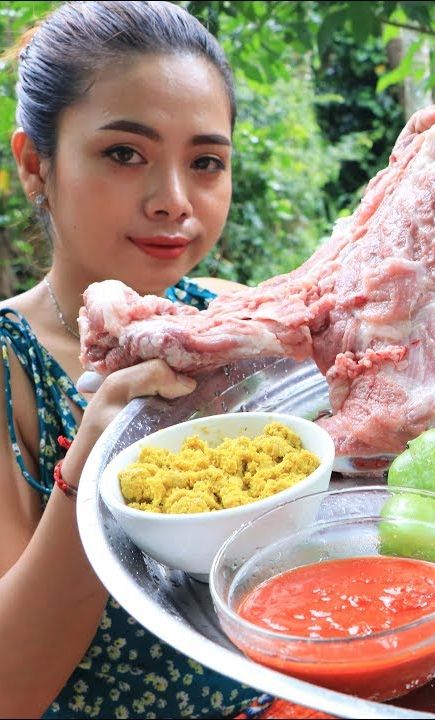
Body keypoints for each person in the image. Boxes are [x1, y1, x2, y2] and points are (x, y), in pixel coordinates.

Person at [0, 3, 328, 718]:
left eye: (205, 162)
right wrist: (87, 463)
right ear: (36, 165)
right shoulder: (10, 371)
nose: (174, 201)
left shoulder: (230, 320)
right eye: (125, 153)